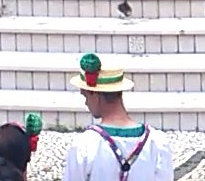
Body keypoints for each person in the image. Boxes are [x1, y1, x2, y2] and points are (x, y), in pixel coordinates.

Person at [64, 53, 173, 181]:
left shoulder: (85, 145)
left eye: (85, 96)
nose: (86, 103)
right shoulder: (157, 143)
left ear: (95, 94)